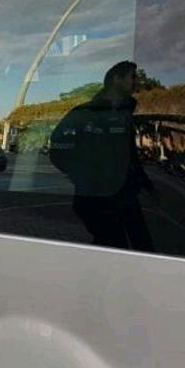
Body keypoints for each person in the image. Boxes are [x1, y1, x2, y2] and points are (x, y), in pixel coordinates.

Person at [48, 60, 154, 251]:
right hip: (96, 198)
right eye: (132, 77)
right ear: (116, 79)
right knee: (114, 249)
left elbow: (130, 153)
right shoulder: (85, 113)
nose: (136, 82)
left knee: (143, 249)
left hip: (128, 196)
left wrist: (143, 181)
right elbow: (57, 148)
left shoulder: (126, 113)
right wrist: (84, 176)